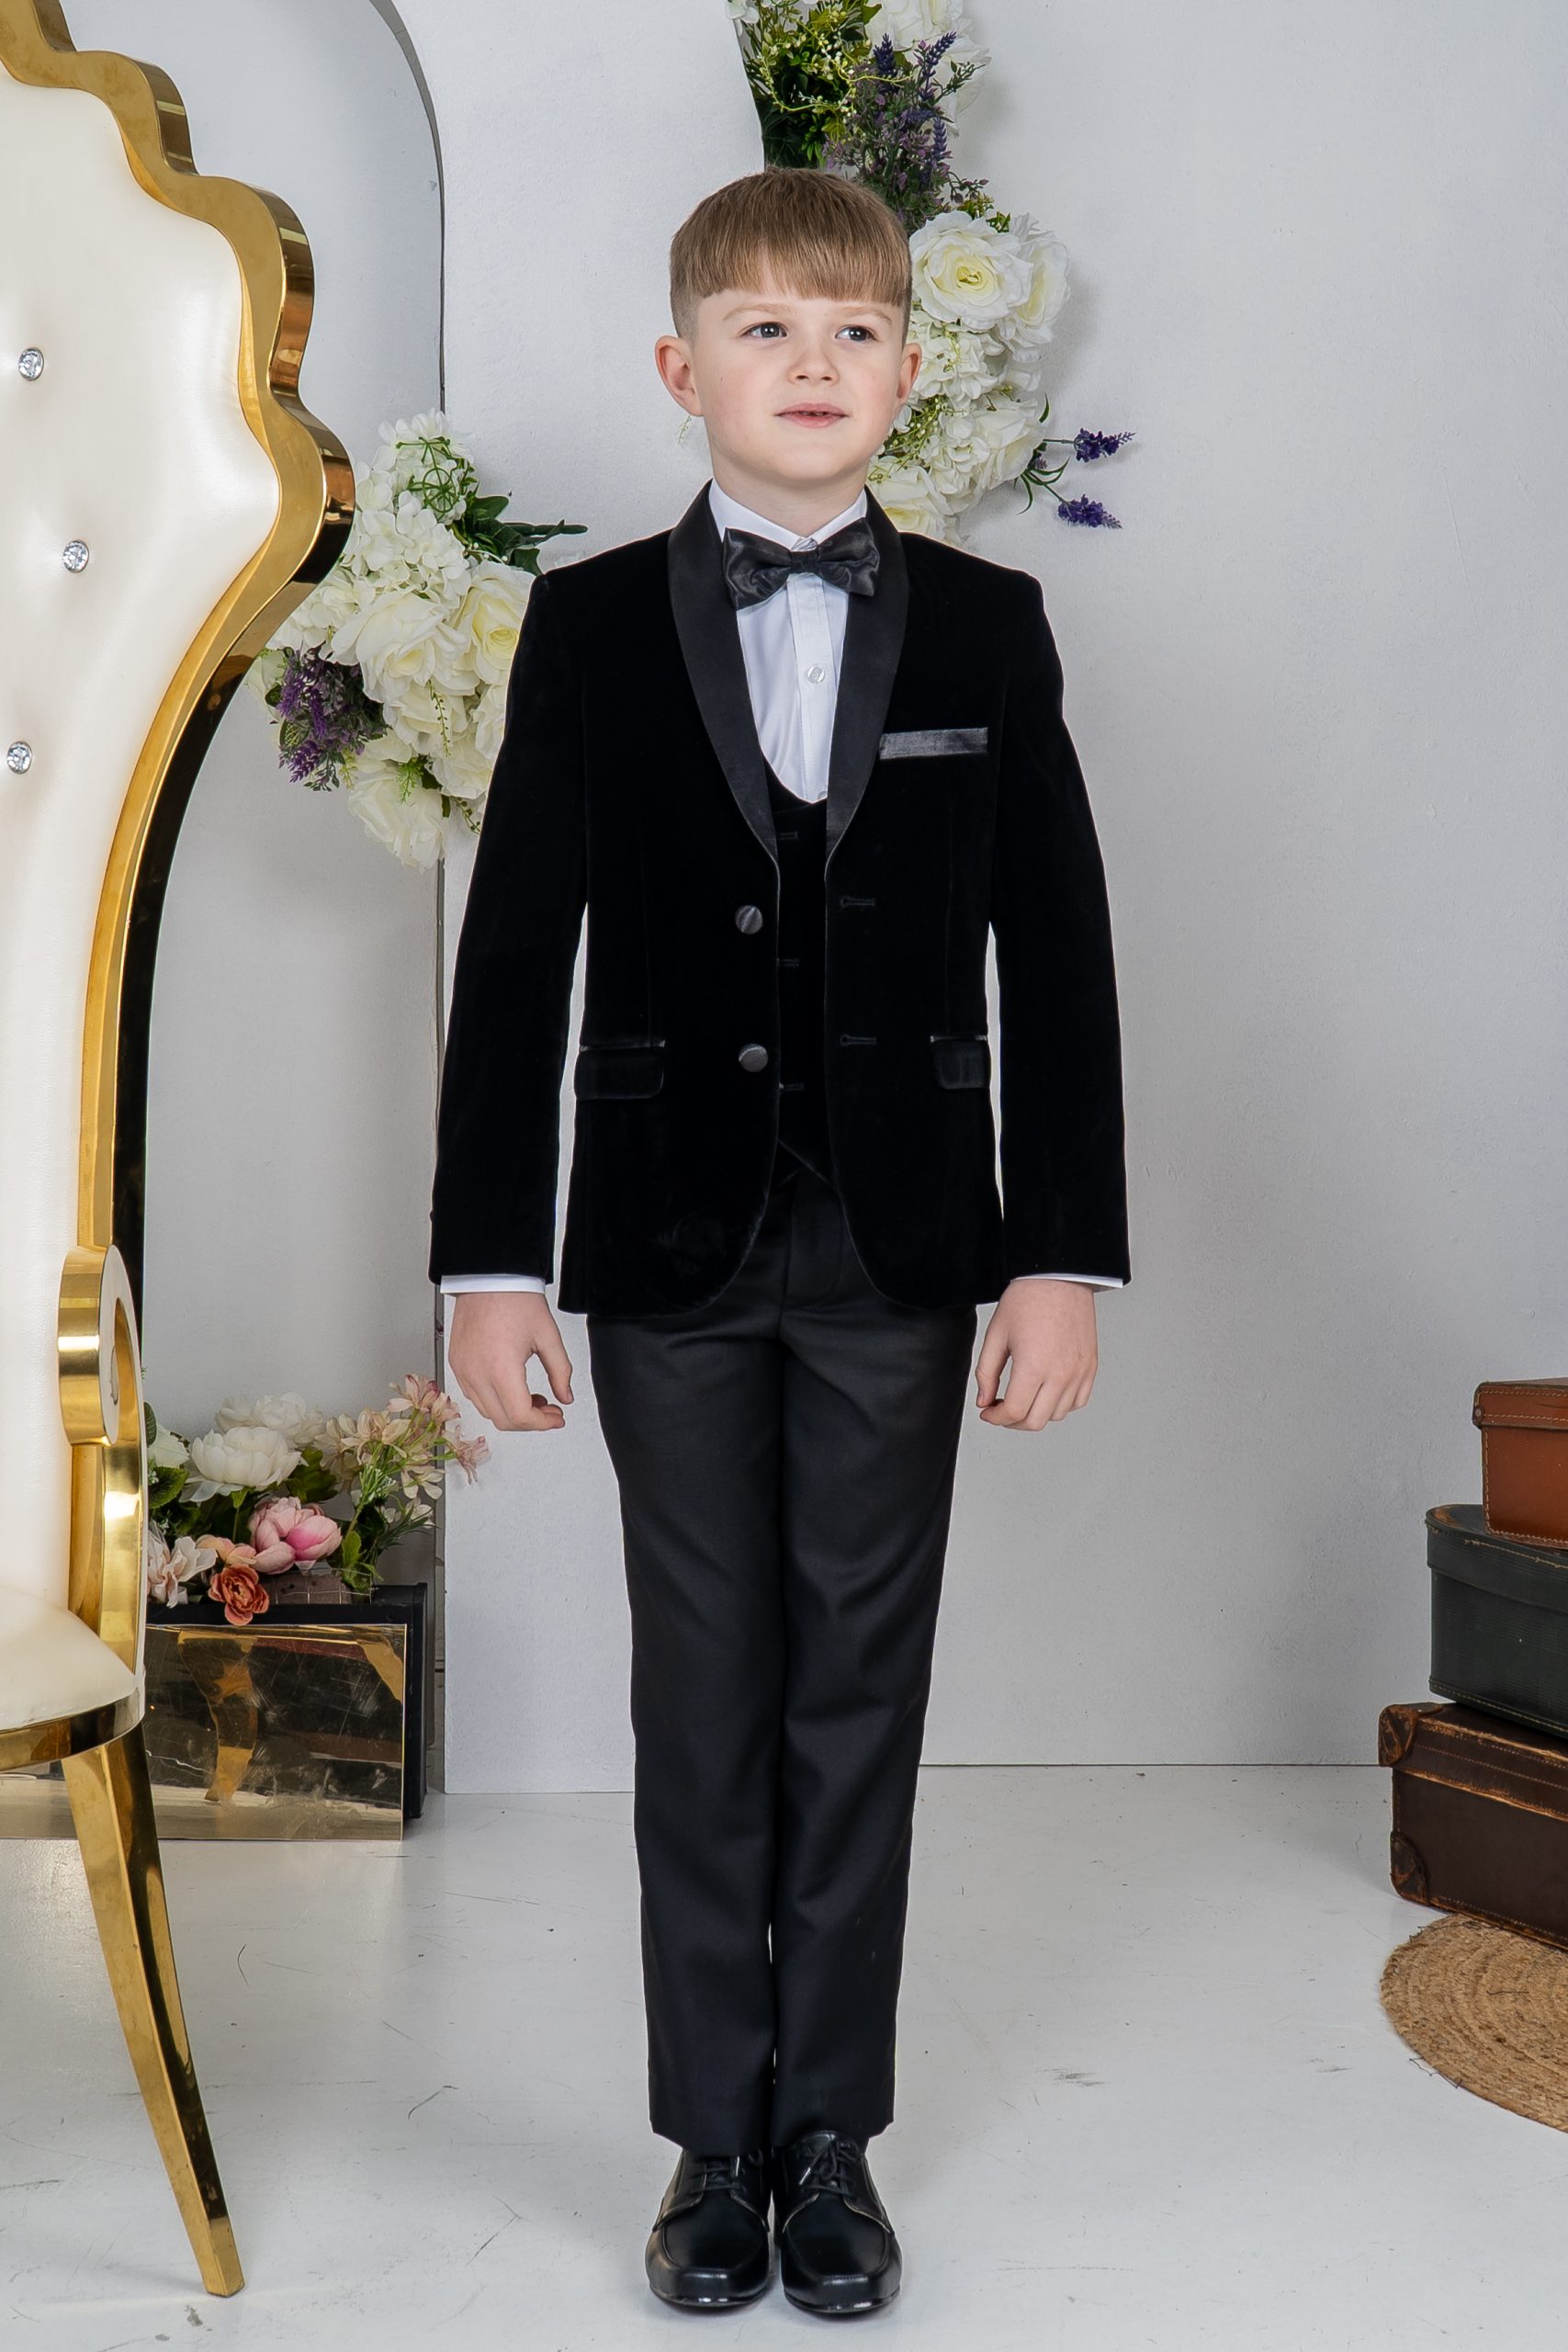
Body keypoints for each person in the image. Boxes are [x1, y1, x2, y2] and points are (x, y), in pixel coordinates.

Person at [428, 164, 1131, 2320]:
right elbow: (514, 951)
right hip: (663, 1241)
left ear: (905, 372)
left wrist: (1056, 1253)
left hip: (905, 1247)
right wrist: (486, 1260)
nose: (809, 362)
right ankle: (705, 2142)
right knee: (702, 1681)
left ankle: (827, 2135)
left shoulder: (991, 628)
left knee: (858, 1689)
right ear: (681, 366)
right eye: (763, 329)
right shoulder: (584, 626)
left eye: (850, 332)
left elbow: (1057, 952)